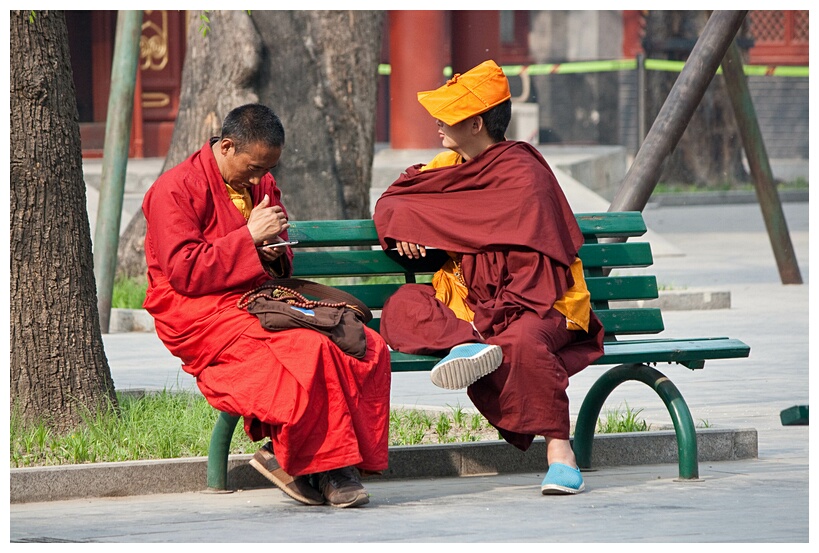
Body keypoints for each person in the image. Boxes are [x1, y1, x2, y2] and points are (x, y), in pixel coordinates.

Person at [373, 60, 605, 495]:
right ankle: (468, 343)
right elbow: (393, 202)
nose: (437, 125)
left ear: (476, 122)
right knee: (402, 306)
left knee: (521, 342)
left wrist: (493, 318)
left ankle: (559, 451)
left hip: (540, 305)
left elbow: (537, 273)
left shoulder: (525, 175)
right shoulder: (447, 165)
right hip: (471, 308)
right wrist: (406, 228)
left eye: (447, 117)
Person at [142, 103, 391, 508]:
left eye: (266, 169)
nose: (260, 179)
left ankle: (322, 463)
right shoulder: (176, 189)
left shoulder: (260, 182)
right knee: (310, 353)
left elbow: (275, 260)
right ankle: (324, 468)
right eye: (254, 168)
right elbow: (183, 272)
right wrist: (249, 238)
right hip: (199, 311)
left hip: (256, 299)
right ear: (226, 146)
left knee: (364, 345)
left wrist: (271, 247)